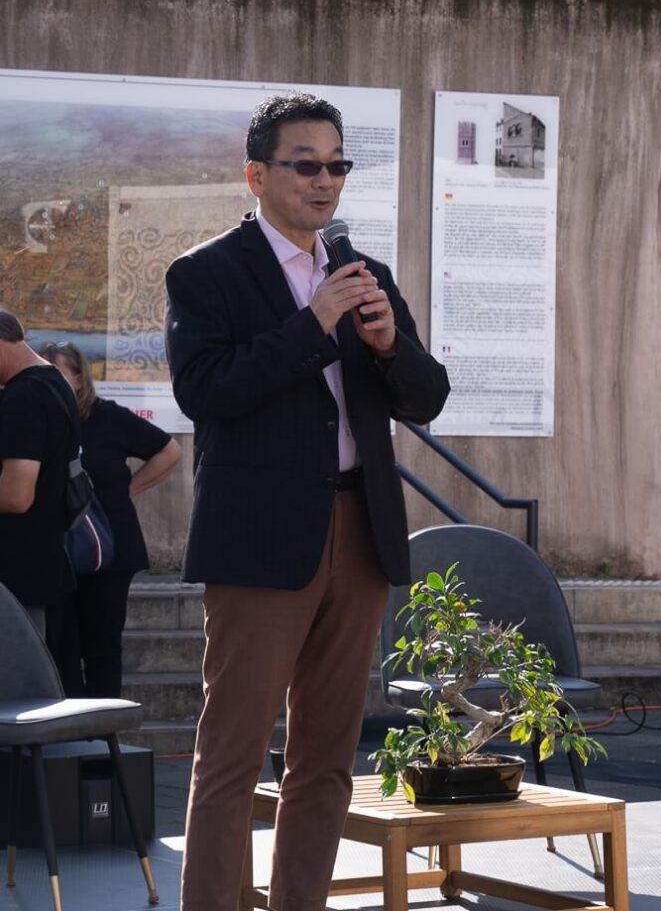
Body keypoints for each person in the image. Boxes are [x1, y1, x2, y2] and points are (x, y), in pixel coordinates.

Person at [165, 92, 450, 911]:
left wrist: (388, 343)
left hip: (361, 529)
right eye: (306, 165)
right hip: (260, 542)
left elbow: (425, 398)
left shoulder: (365, 274)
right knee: (231, 755)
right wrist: (311, 328)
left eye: (337, 165)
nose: (325, 182)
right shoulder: (206, 272)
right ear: (257, 174)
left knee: (326, 756)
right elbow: (205, 391)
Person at [40, 341, 181, 697]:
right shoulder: (36, 416)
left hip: (110, 550)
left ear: (78, 378)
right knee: (60, 648)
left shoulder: (107, 417)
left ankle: (103, 742)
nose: (48, 381)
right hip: (57, 553)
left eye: (56, 372)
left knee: (102, 646)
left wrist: (129, 489)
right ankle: (67, 743)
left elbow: (169, 450)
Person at [0, 310, 77, 636]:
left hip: (14, 574)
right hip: (38, 565)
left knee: (15, 682)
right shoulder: (54, 383)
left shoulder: (24, 397)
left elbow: (17, 496)